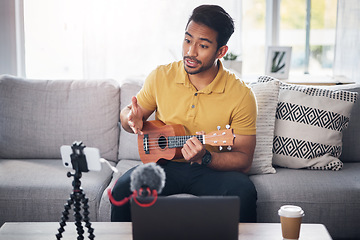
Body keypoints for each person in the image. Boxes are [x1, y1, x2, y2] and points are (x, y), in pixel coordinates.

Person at [111, 4, 257, 223]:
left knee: (244, 192)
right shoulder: (161, 76)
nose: (190, 52)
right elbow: (129, 115)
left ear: (221, 51)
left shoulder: (241, 94)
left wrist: (206, 157)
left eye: (203, 46)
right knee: (123, 189)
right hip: (164, 166)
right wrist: (129, 118)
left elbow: (244, 160)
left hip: (212, 171)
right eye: (188, 40)